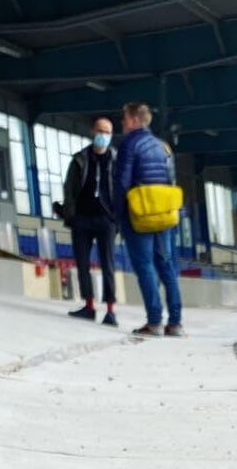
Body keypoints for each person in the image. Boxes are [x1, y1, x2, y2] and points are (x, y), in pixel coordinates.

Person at [115, 102, 184, 337]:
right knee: (167, 268)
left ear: (135, 120)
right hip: (164, 217)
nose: (122, 123)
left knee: (145, 266)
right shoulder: (163, 147)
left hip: (139, 216)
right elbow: (171, 181)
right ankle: (175, 323)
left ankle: (154, 322)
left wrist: (118, 216)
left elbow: (122, 183)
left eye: (125, 118)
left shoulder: (129, 145)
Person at [59, 117, 119, 326]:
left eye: (108, 132)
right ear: (93, 131)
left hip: (106, 220)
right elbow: (69, 189)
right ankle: (89, 306)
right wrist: (71, 215)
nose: (103, 136)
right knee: (82, 263)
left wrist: (117, 218)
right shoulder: (79, 159)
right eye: (100, 131)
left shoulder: (116, 161)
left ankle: (111, 310)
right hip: (82, 219)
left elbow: (122, 191)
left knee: (108, 264)